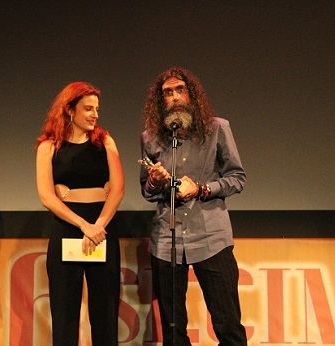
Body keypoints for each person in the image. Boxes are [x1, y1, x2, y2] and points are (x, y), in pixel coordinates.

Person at [140, 67, 247, 345]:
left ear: (192, 95)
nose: (174, 97)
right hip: (167, 240)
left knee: (228, 326)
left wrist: (202, 189)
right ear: (160, 101)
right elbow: (148, 192)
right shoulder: (150, 138)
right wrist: (154, 181)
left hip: (211, 238)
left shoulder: (217, 129)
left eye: (180, 90)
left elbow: (237, 178)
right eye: (167, 93)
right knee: (173, 331)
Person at [36, 81, 125, 345]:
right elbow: (46, 196)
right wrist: (83, 225)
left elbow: (118, 189)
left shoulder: (105, 142)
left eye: (96, 109)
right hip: (67, 230)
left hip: (102, 230)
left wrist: (98, 225)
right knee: (64, 314)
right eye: (88, 108)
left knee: (105, 313)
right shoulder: (48, 147)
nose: (94, 114)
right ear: (69, 110)